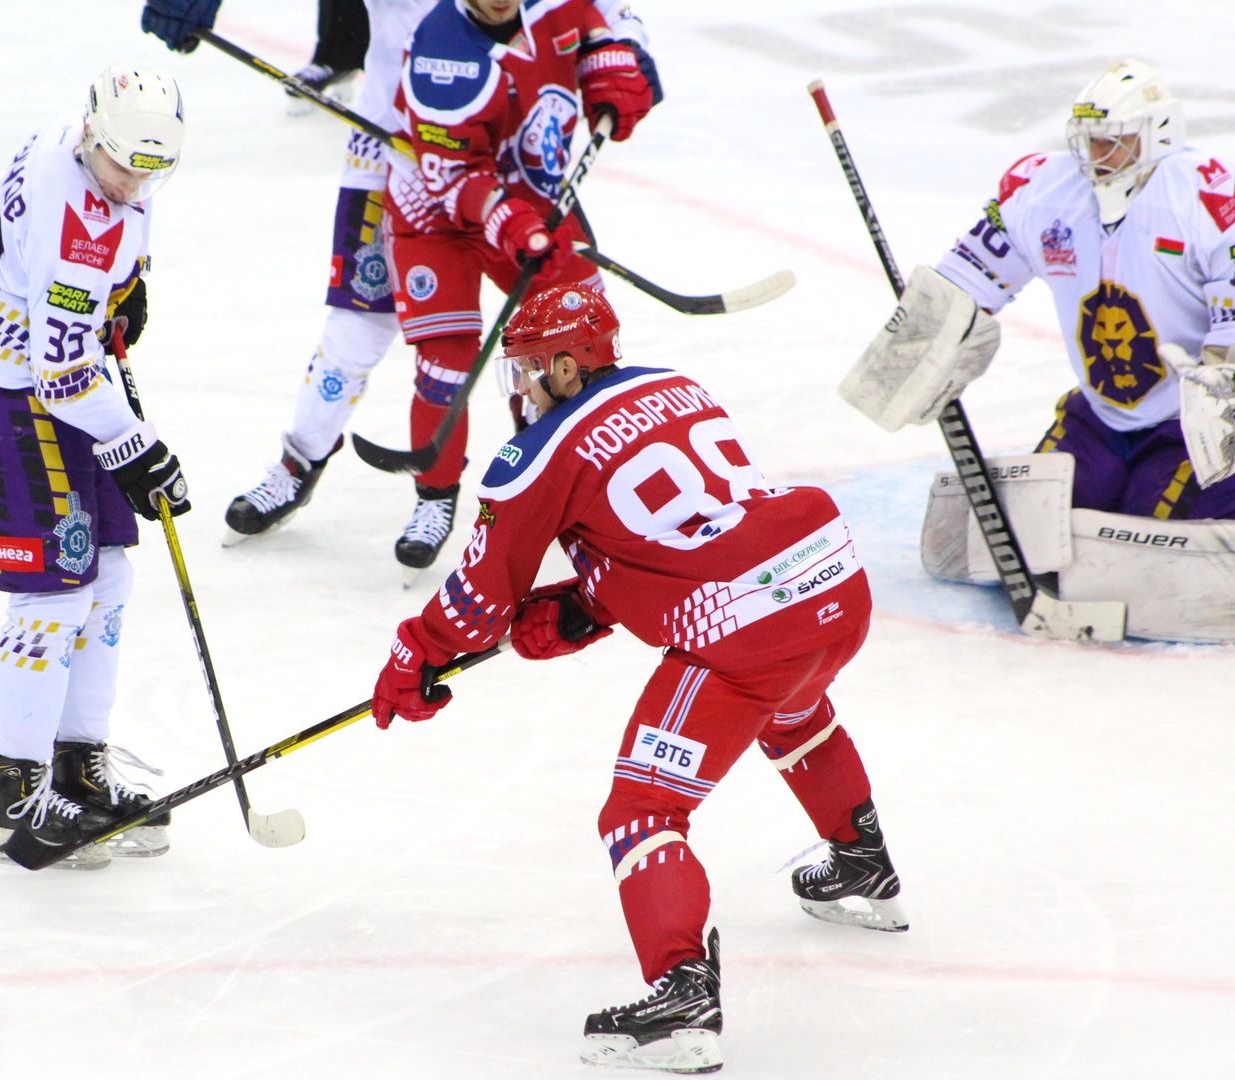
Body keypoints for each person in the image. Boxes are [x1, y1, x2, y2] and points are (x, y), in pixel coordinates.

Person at [369, 286, 907, 1072]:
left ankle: (681, 995)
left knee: (641, 810)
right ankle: (862, 860)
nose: (521, 390)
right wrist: (591, 604)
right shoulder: (673, 385)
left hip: (742, 625)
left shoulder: (534, 455)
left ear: (565, 365)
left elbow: (479, 604)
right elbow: (694, 525)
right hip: (829, 579)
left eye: (527, 368)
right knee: (788, 704)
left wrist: (415, 655)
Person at [140, 0, 661, 577]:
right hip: (399, 153)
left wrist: (624, 48)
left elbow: (604, 14)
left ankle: (566, 472)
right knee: (360, 330)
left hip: (520, 160)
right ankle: (300, 461)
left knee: (568, 333)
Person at [0, 64, 193, 869]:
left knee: (108, 574)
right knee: (52, 596)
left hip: (45, 386)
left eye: (151, 169)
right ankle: (16, 798)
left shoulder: (72, 139)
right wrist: (137, 448)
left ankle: (76, 767)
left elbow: (65, 298)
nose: (132, 183)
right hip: (10, 400)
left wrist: (118, 295)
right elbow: (61, 372)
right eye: (123, 165)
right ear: (94, 135)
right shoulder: (82, 227)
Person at [846, 59, 1235, 520]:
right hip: (1099, 419)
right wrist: (929, 336)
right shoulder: (1043, 191)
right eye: (1091, 139)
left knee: (1154, 540)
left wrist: (1221, 380)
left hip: (1187, 427)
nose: (1097, 153)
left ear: (1159, 135)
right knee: (1036, 526)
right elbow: (968, 281)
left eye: (1114, 139)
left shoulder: (1205, 199)